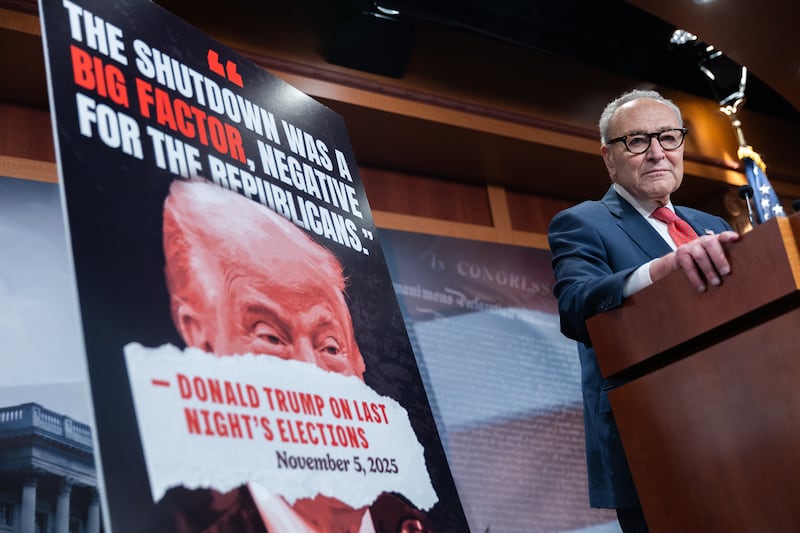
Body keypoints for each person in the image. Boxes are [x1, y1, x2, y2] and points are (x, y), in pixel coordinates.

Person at [152, 178, 433, 533]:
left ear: (358, 362)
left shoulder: (414, 522)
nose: (313, 380)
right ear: (204, 346)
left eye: (330, 347)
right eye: (271, 338)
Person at [547, 89, 740, 533]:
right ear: (609, 159)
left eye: (669, 137)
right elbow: (576, 305)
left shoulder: (712, 225)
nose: (657, 153)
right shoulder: (583, 222)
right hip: (654, 437)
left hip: (742, 424)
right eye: (636, 141)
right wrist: (661, 269)